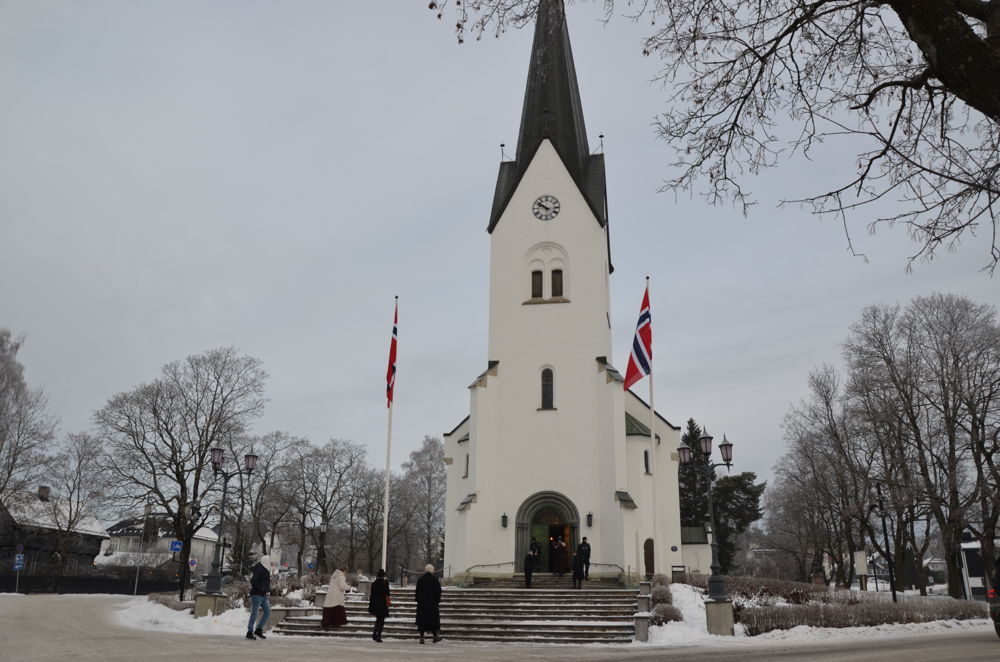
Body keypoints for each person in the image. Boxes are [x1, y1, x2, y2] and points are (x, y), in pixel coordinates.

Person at [415, 563, 442, 644]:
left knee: (422, 621)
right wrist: (437, 600)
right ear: (432, 570)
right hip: (432, 604)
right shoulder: (434, 579)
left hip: (422, 604)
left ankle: (422, 637)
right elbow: (438, 591)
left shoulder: (420, 579)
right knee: (433, 620)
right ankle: (435, 636)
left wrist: (418, 600)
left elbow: (417, 591)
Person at [247, 554, 272, 640]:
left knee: (267, 612)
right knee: (254, 613)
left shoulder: (265, 569)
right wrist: (261, 588)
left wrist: (267, 589)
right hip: (257, 594)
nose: (270, 563)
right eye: (269, 561)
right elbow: (253, 580)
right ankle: (249, 632)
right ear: (265, 561)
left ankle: (258, 629)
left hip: (263, 595)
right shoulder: (259, 569)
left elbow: (265, 581)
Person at [368, 568, 390, 642]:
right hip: (382, 604)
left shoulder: (374, 583)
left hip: (375, 604)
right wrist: (387, 584)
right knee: (381, 621)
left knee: (378, 619)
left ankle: (374, 634)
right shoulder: (384, 583)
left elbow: (372, 595)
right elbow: (387, 593)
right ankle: (378, 636)